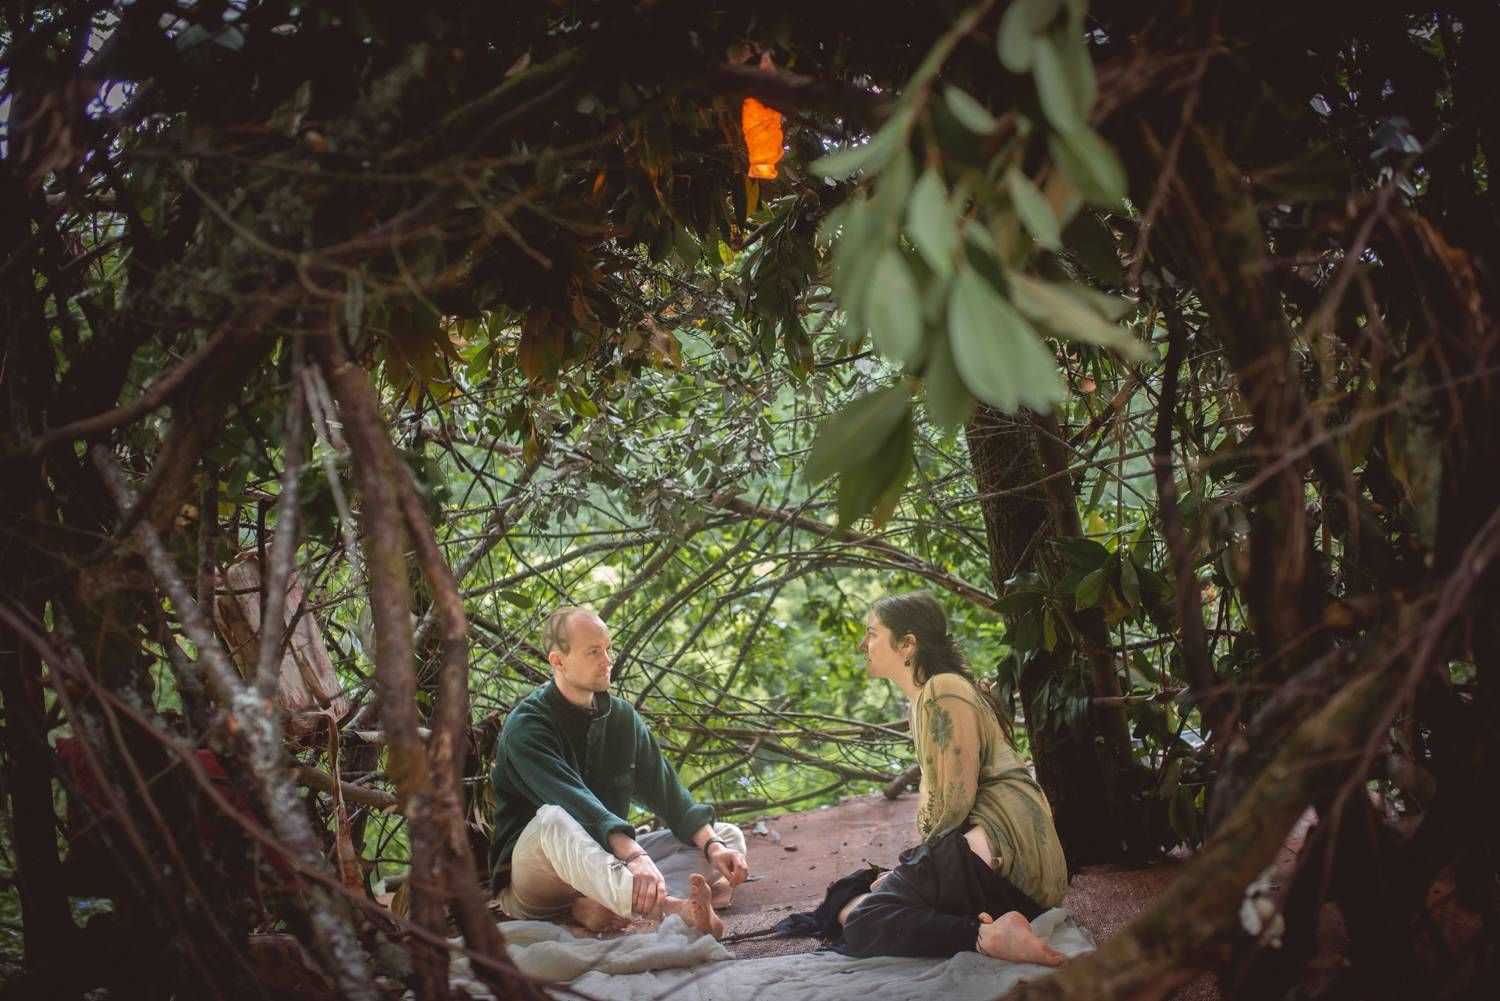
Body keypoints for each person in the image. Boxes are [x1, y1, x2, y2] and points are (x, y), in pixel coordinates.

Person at [488, 606, 750, 937]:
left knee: (726, 836)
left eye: (608, 648)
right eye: (594, 652)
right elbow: (576, 804)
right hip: (537, 876)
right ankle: (671, 908)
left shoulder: (622, 718)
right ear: (558, 661)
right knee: (553, 818)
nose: (607, 660)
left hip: (604, 860)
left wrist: (714, 847)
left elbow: (669, 794)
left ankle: (593, 904)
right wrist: (636, 856)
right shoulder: (527, 727)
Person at [841, 590, 1070, 965]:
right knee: (853, 890)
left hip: (1008, 851)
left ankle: (986, 936)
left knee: (864, 920)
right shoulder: (927, 698)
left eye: (872, 634)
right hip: (1002, 861)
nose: (863, 645)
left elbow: (954, 801)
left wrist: (916, 870)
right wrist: (913, 873)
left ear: (907, 644)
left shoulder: (942, 689)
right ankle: (987, 929)